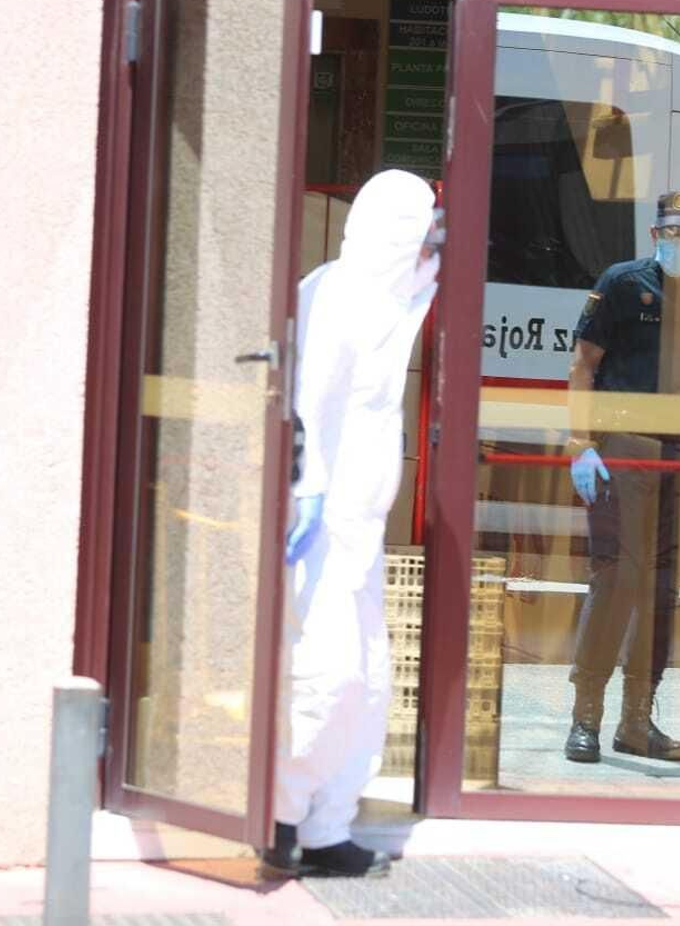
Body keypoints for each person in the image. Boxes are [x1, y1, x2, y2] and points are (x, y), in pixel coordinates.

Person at [261, 169, 444, 879]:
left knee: (367, 686)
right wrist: (304, 493)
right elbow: (304, 406)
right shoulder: (333, 297)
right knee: (324, 677)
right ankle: (277, 816)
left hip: (360, 536)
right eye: (425, 226)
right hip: (321, 530)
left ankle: (328, 824)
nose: (434, 241)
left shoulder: (389, 302)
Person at [563, 190, 680, 765]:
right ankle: (586, 716)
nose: (672, 242)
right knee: (615, 579)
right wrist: (581, 442)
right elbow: (583, 363)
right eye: (665, 232)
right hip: (622, 450)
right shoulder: (619, 281)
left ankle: (637, 720)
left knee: (662, 590)